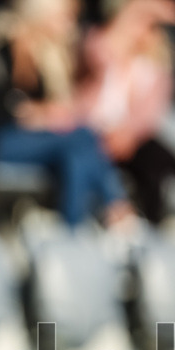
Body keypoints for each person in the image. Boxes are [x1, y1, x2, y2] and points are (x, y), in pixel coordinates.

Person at [0, 0, 136, 227]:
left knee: (77, 151)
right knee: (81, 136)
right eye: (66, 17)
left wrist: (48, 114)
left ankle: (76, 228)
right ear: (43, 14)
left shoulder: (47, 55)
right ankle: (111, 211)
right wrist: (25, 113)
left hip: (20, 140)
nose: (72, 25)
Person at [81, 0, 175, 223]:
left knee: (157, 163)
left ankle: (155, 220)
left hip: (132, 136)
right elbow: (96, 56)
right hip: (95, 129)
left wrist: (128, 133)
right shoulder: (100, 47)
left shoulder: (155, 68)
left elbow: (148, 113)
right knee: (89, 153)